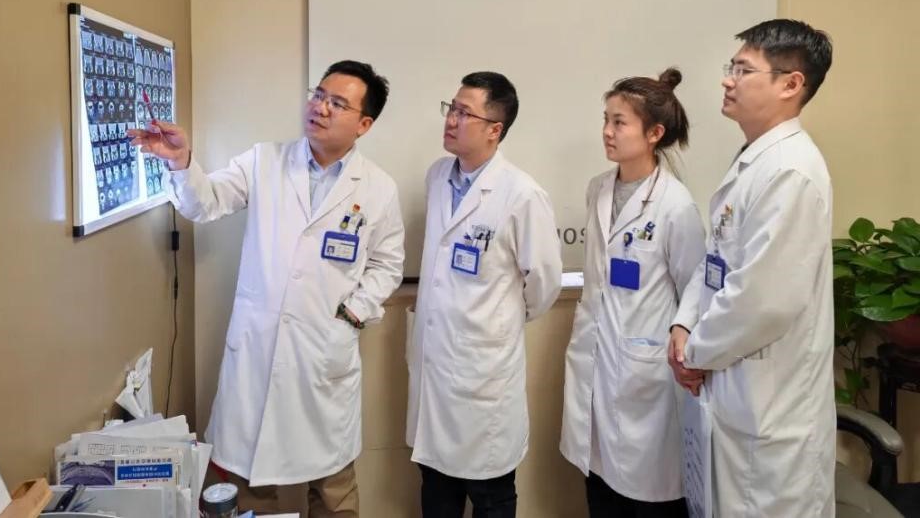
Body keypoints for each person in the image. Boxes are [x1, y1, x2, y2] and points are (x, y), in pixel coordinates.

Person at [128, 60, 405, 518]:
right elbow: (206, 202)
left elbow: (387, 263)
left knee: (333, 493)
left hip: (323, 356)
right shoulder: (264, 161)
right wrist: (180, 162)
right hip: (257, 353)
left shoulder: (378, 188)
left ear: (364, 124)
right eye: (319, 95)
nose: (320, 107)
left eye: (338, 103)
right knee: (250, 485)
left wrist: (354, 313)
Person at [668, 19, 835, 516]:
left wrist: (694, 353)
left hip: (770, 416)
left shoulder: (791, 171)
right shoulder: (754, 160)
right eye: (732, 67)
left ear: (790, 84)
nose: (728, 80)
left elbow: (762, 301)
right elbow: (716, 259)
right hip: (734, 395)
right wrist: (684, 323)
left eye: (743, 70)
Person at [406, 71, 563, 518]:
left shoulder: (522, 194)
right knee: (436, 489)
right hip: (435, 365)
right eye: (451, 108)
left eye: (464, 113)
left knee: (490, 493)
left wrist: (497, 320)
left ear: (495, 129)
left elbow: (545, 283)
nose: (451, 119)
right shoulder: (438, 176)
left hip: (483, 373)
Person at [560, 69, 706, 517]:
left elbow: (695, 287)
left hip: (646, 372)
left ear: (654, 133)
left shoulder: (675, 204)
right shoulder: (598, 190)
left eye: (619, 122)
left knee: (649, 496)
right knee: (601, 486)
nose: (607, 131)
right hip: (596, 360)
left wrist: (683, 334)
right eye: (606, 119)